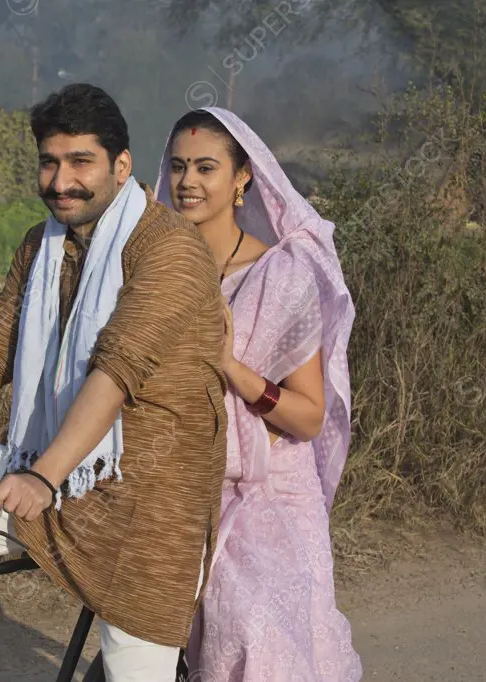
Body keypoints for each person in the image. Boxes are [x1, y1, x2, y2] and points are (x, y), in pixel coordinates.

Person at [0, 84, 229, 682]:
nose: (61, 182)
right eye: (49, 162)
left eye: (81, 161)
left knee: (136, 668)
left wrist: (41, 476)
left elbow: (117, 368)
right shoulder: (41, 245)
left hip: (147, 499)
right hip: (47, 459)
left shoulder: (170, 250)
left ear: (122, 165)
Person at [153, 107, 362, 681]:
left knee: (256, 632)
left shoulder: (282, 275)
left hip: (271, 495)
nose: (187, 182)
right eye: (176, 167)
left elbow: (311, 417)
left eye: (205, 167)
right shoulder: (155, 272)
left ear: (242, 178)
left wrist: (232, 370)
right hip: (178, 483)